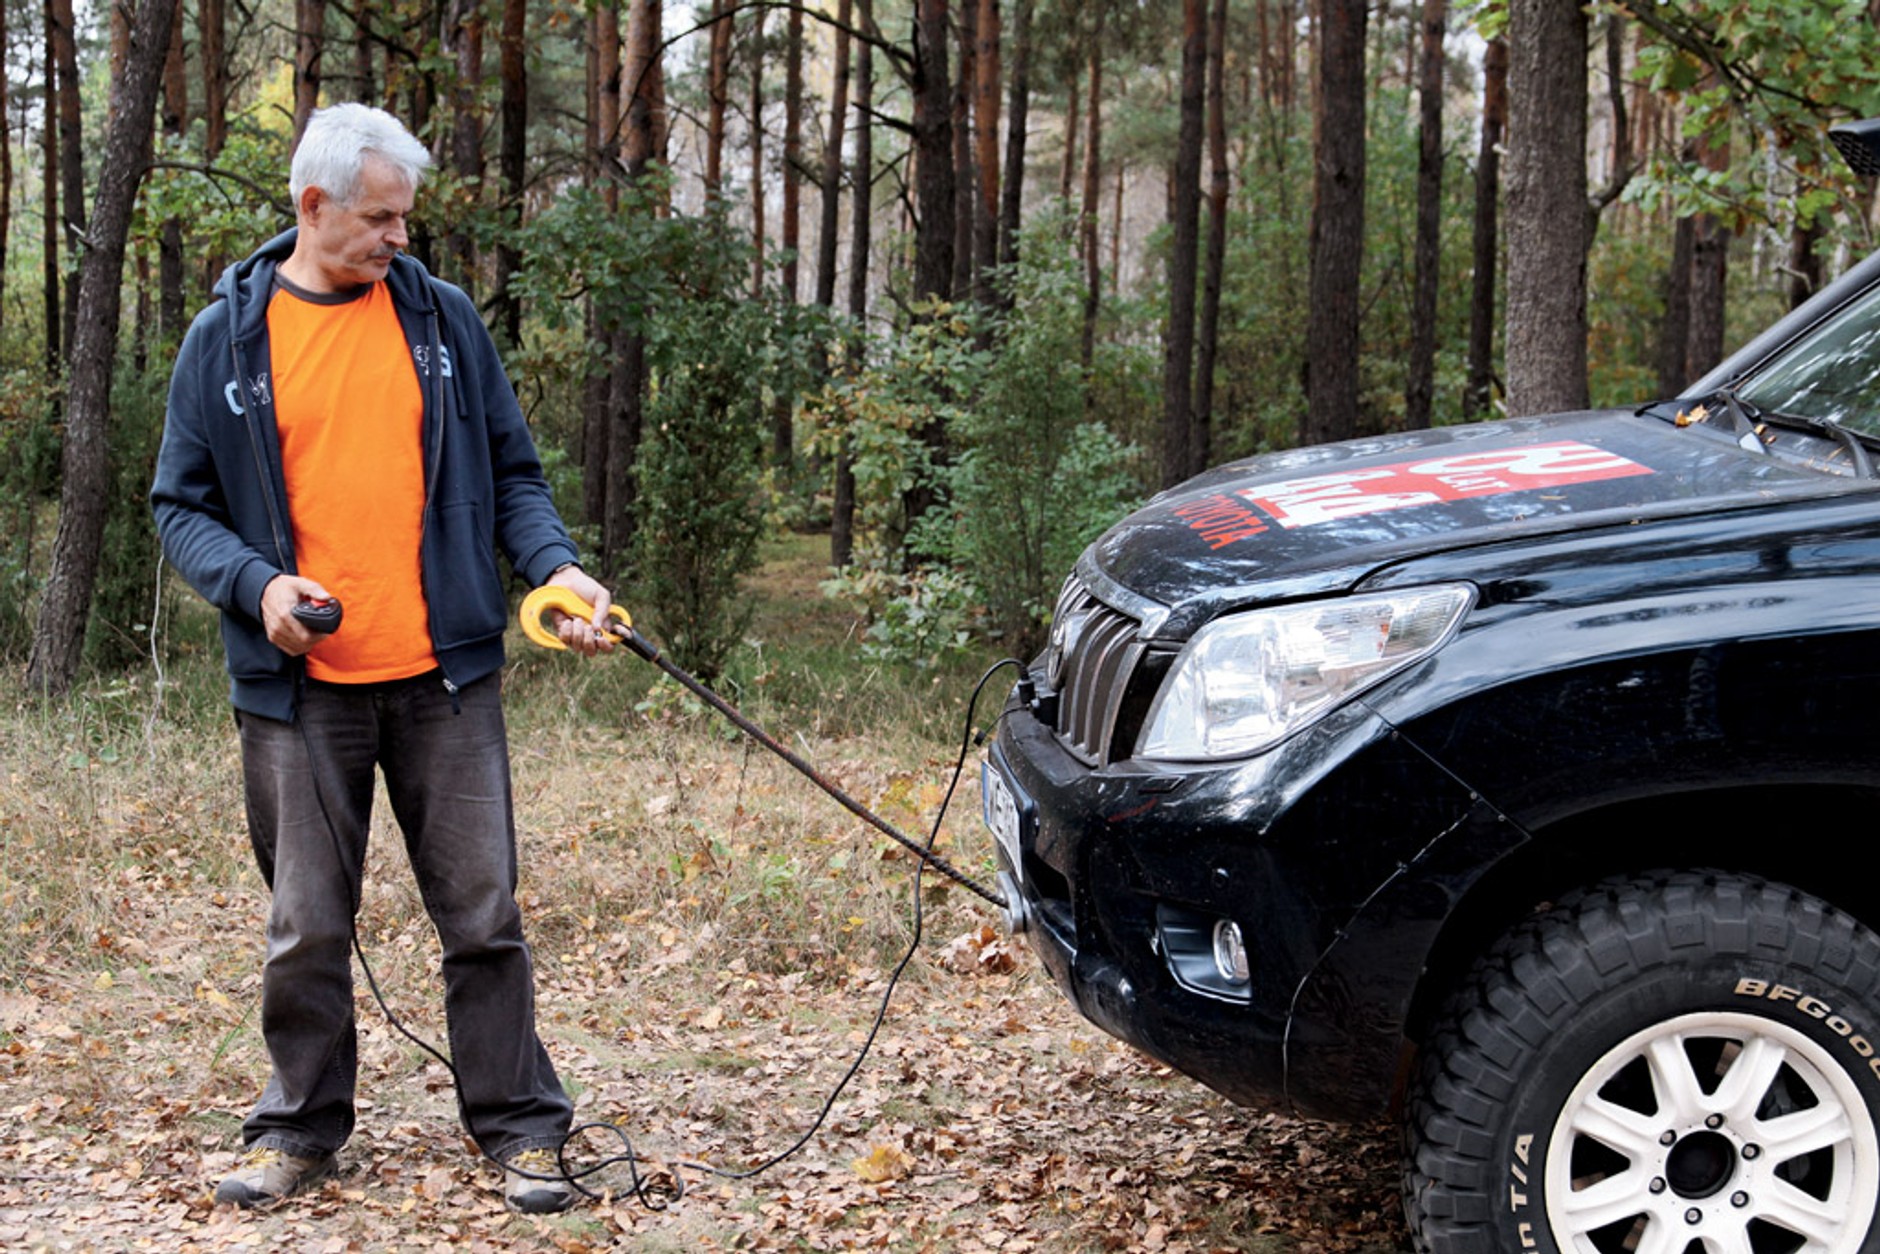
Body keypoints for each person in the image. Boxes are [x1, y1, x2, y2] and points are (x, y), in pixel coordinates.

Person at [151, 103, 614, 1214]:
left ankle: (519, 1128)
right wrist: (257, 588)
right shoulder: (228, 338)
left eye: (404, 219)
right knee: (306, 925)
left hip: (445, 679)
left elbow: (514, 474)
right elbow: (179, 505)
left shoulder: (441, 322)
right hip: (299, 694)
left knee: (484, 915)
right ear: (313, 208)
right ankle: (296, 1127)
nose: (400, 238)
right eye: (381, 220)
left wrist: (555, 569)